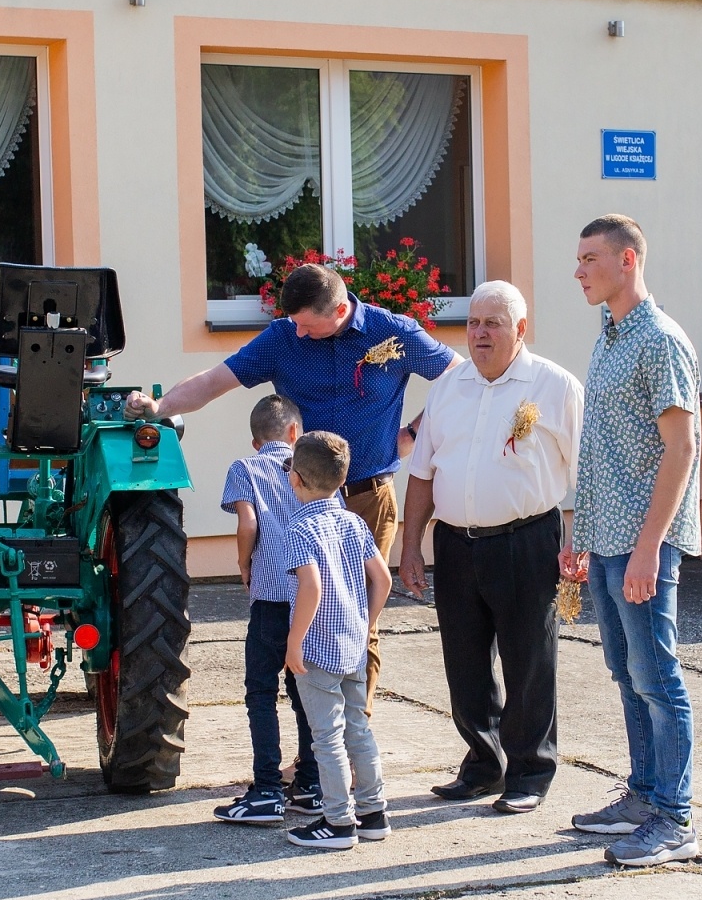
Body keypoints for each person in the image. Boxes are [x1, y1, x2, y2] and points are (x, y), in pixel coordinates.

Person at [125, 264, 460, 699]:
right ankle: (316, 751)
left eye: (307, 325)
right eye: (295, 324)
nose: (298, 333)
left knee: (359, 619)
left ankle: (353, 742)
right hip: (299, 504)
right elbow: (213, 382)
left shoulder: (393, 333)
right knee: (310, 618)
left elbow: (458, 378)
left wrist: (414, 435)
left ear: (339, 310)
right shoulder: (282, 337)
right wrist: (160, 406)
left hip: (368, 499)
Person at [400, 281, 583, 813]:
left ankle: (531, 772)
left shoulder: (553, 386)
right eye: (474, 323)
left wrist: (583, 543)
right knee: (464, 662)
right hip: (456, 544)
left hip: (526, 542)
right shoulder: (449, 386)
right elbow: (422, 473)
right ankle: (484, 765)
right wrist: (412, 546)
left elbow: (588, 471)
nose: (480, 333)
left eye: (493, 323)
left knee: (529, 660)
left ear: (520, 329)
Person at [561, 214, 702, 867]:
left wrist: (650, 547)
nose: (578, 270)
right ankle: (643, 795)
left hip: (646, 540)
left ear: (628, 261)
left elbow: (681, 449)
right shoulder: (609, 339)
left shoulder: (659, 340)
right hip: (609, 537)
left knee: (657, 677)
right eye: (579, 259)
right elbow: (602, 451)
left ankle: (674, 818)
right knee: (626, 673)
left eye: (590, 258)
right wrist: (579, 532)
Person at [212, 396, 323, 824]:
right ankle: (311, 785)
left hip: (270, 597)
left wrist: (244, 563)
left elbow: (249, 524)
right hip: (310, 600)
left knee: (261, 692)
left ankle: (266, 791)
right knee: (305, 692)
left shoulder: (245, 467)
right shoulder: (310, 468)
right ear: (296, 433)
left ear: (256, 441)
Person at [281, 432, 394, 850]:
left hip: (317, 652)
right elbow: (381, 579)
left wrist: (295, 642)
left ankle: (338, 822)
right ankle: (373, 812)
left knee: (326, 737)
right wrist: (368, 622)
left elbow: (309, 589)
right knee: (358, 730)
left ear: (295, 479)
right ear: (342, 479)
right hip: (352, 646)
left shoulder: (299, 528)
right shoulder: (354, 522)